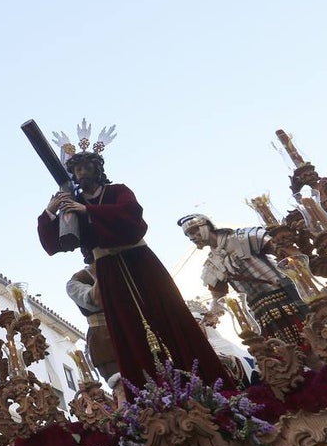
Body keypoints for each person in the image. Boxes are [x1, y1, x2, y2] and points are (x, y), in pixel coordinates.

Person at [37, 128, 233, 388]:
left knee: (168, 312)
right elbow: (56, 244)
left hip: (140, 262)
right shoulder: (72, 204)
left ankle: (203, 381)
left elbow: (133, 219)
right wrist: (50, 213)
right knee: (126, 326)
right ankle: (149, 391)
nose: (81, 173)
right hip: (109, 270)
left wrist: (88, 210)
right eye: (77, 169)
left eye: (86, 167)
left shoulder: (118, 191)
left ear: (97, 169)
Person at [177, 214, 309, 345]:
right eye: (188, 235)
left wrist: (296, 266)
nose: (192, 237)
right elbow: (218, 297)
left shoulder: (243, 237)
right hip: (259, 311)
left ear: (207, 226)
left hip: (285, 295)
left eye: (194, 231)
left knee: (310, 335)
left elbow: (283, 252)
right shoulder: (211, 264)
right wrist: (212, 313)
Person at [65, 264, 119, 384]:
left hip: (142, 332)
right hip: (106, 342)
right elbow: (95, 300)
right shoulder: (75, 282)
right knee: (124, 389)